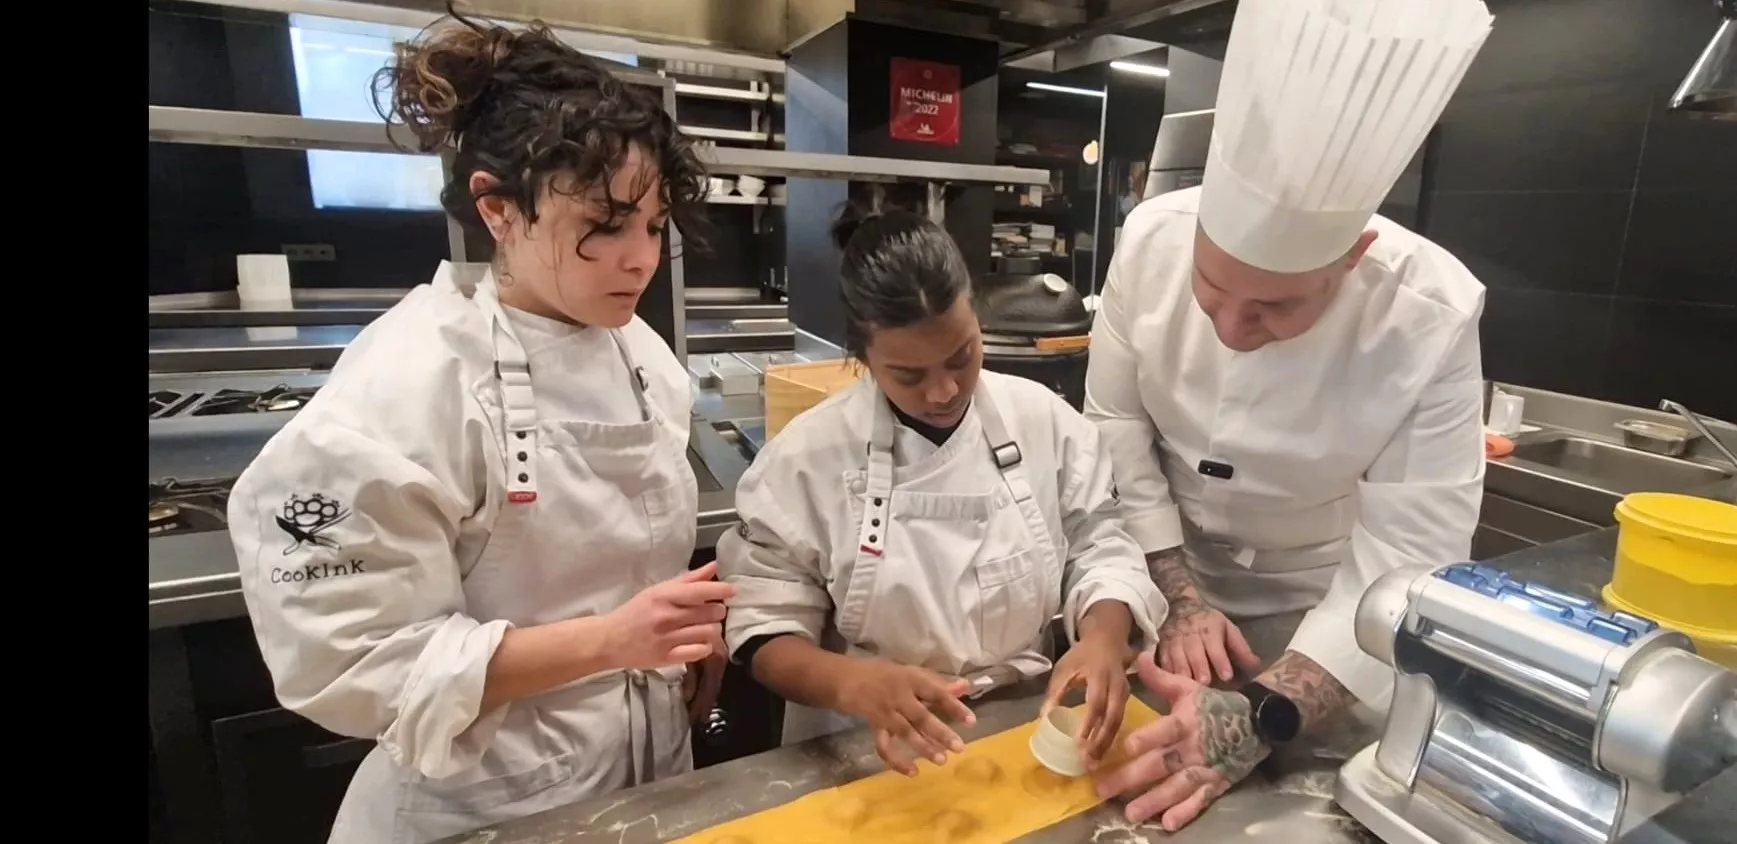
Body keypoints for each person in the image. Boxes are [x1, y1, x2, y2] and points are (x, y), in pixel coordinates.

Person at [225, 11, 733, 843]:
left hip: (641, 771)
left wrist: (675, 640)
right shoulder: (409, 385)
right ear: (496, 209)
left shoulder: (641, 356)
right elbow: (353, 664)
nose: (639, 259)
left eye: (651, 225)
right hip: (481, 800)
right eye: (602, 229)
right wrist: (613, 640)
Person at [1084, 0, 1497, 831]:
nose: (1232, 333)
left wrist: (1260, 715)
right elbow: (1114, 435)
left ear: (1352, 256)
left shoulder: (1430, 314)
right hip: (1161, 594)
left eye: (1273, 308)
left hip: (1331, 612)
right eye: (1210, 291)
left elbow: (1411, 554)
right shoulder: (1149, 241)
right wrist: (1181, 595)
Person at [717, 203, 1167, 776]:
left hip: (1023, 731)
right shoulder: (808, 458)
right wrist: (850, 681)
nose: (943, 390)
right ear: (862, 356)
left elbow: (1099, 544)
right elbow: (763, 621)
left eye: (962, 356)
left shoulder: (1042, 421)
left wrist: (1103, 638)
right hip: (869, 751)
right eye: (908, 374)